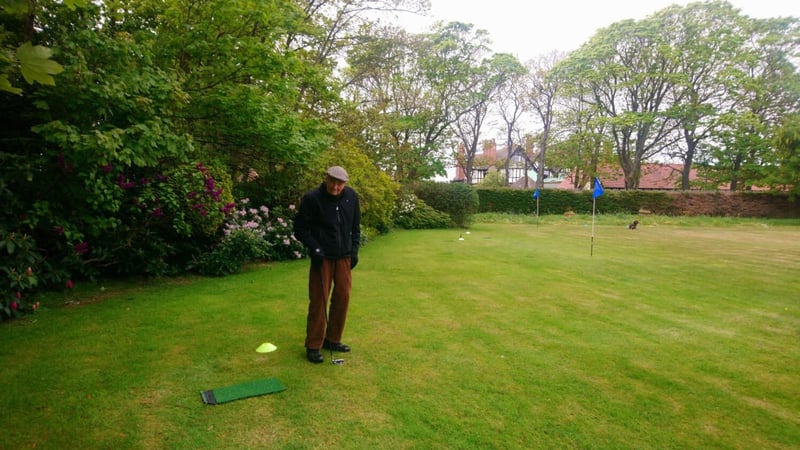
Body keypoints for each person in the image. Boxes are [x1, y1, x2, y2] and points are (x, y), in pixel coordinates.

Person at [293, 166, 361, 363]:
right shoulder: (312, 198)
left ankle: (332, 339)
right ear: (326, 179)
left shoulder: (351, 197)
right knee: (319, 299)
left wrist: (354, 251)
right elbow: (300, 228)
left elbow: (355, 228)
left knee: (343, 297)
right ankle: (314, 344)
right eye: (332, 181)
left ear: (345, 184)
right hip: (322, 257)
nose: (336, 186)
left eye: (340, 183)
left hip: (344, 257)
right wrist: (314, 247)